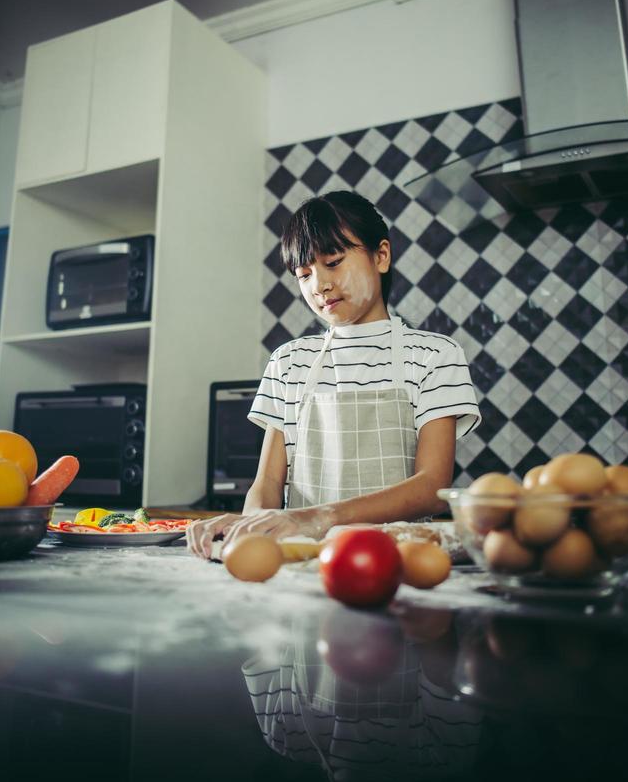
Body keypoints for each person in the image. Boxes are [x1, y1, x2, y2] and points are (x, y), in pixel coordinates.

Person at [187, 190, 480, 558]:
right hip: (303, 561)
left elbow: (431, 485)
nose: (318, 285)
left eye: (334, 262)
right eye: (304, 274)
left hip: (397, 562)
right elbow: (268, 483)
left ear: (382, 256)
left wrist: (318, 518)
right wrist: (254, 527)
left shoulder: (435, 355)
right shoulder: (289, 362)